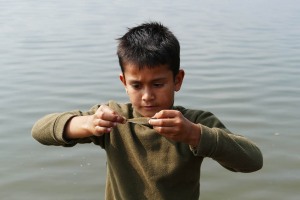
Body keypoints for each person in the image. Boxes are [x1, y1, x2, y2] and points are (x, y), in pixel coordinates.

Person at [32, 21, 263, 200]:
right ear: (124, 82)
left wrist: (194, 134)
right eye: (136, 85)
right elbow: (39, 131)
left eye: (158, 84)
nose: (147, 96)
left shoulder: (193, 122)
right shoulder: (113, 118)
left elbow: (253, 161)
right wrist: (88, 124)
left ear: (178, 80)